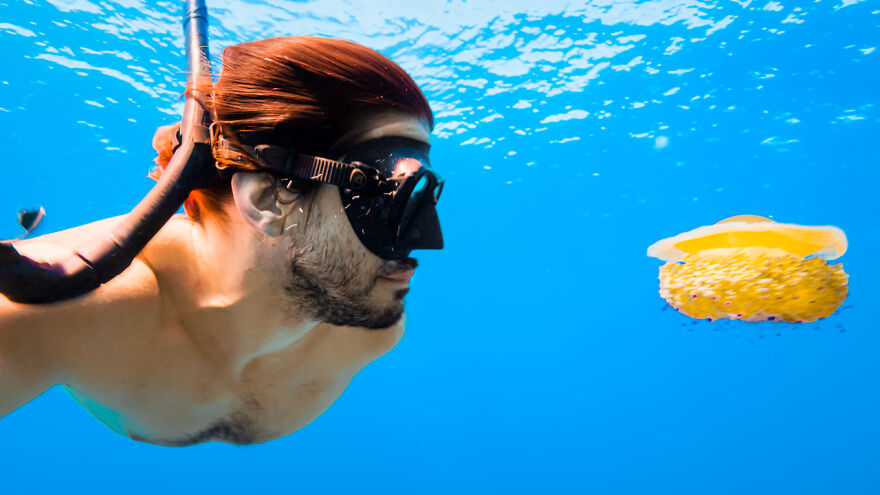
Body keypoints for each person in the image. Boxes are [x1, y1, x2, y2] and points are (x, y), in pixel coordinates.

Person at [0, 36, 443, 446]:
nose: (427, 242)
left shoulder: (368, 324)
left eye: (421, 198)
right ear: (267, 200)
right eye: (395, 198)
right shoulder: (58, 311)